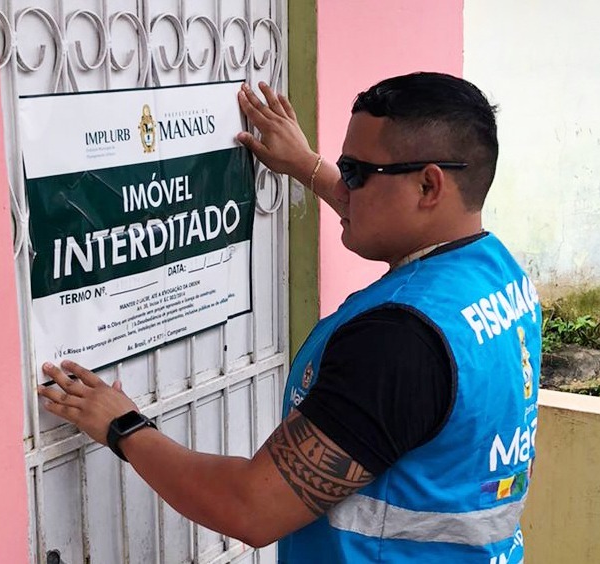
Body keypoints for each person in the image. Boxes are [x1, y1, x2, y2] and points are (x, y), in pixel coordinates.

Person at [38, 72, 541, 563]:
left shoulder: (400, 342)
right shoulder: (497, 275)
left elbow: (251, 508)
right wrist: (307, 165)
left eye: (357, 173)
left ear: (429, 187)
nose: (343, 185)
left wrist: (123, 426)